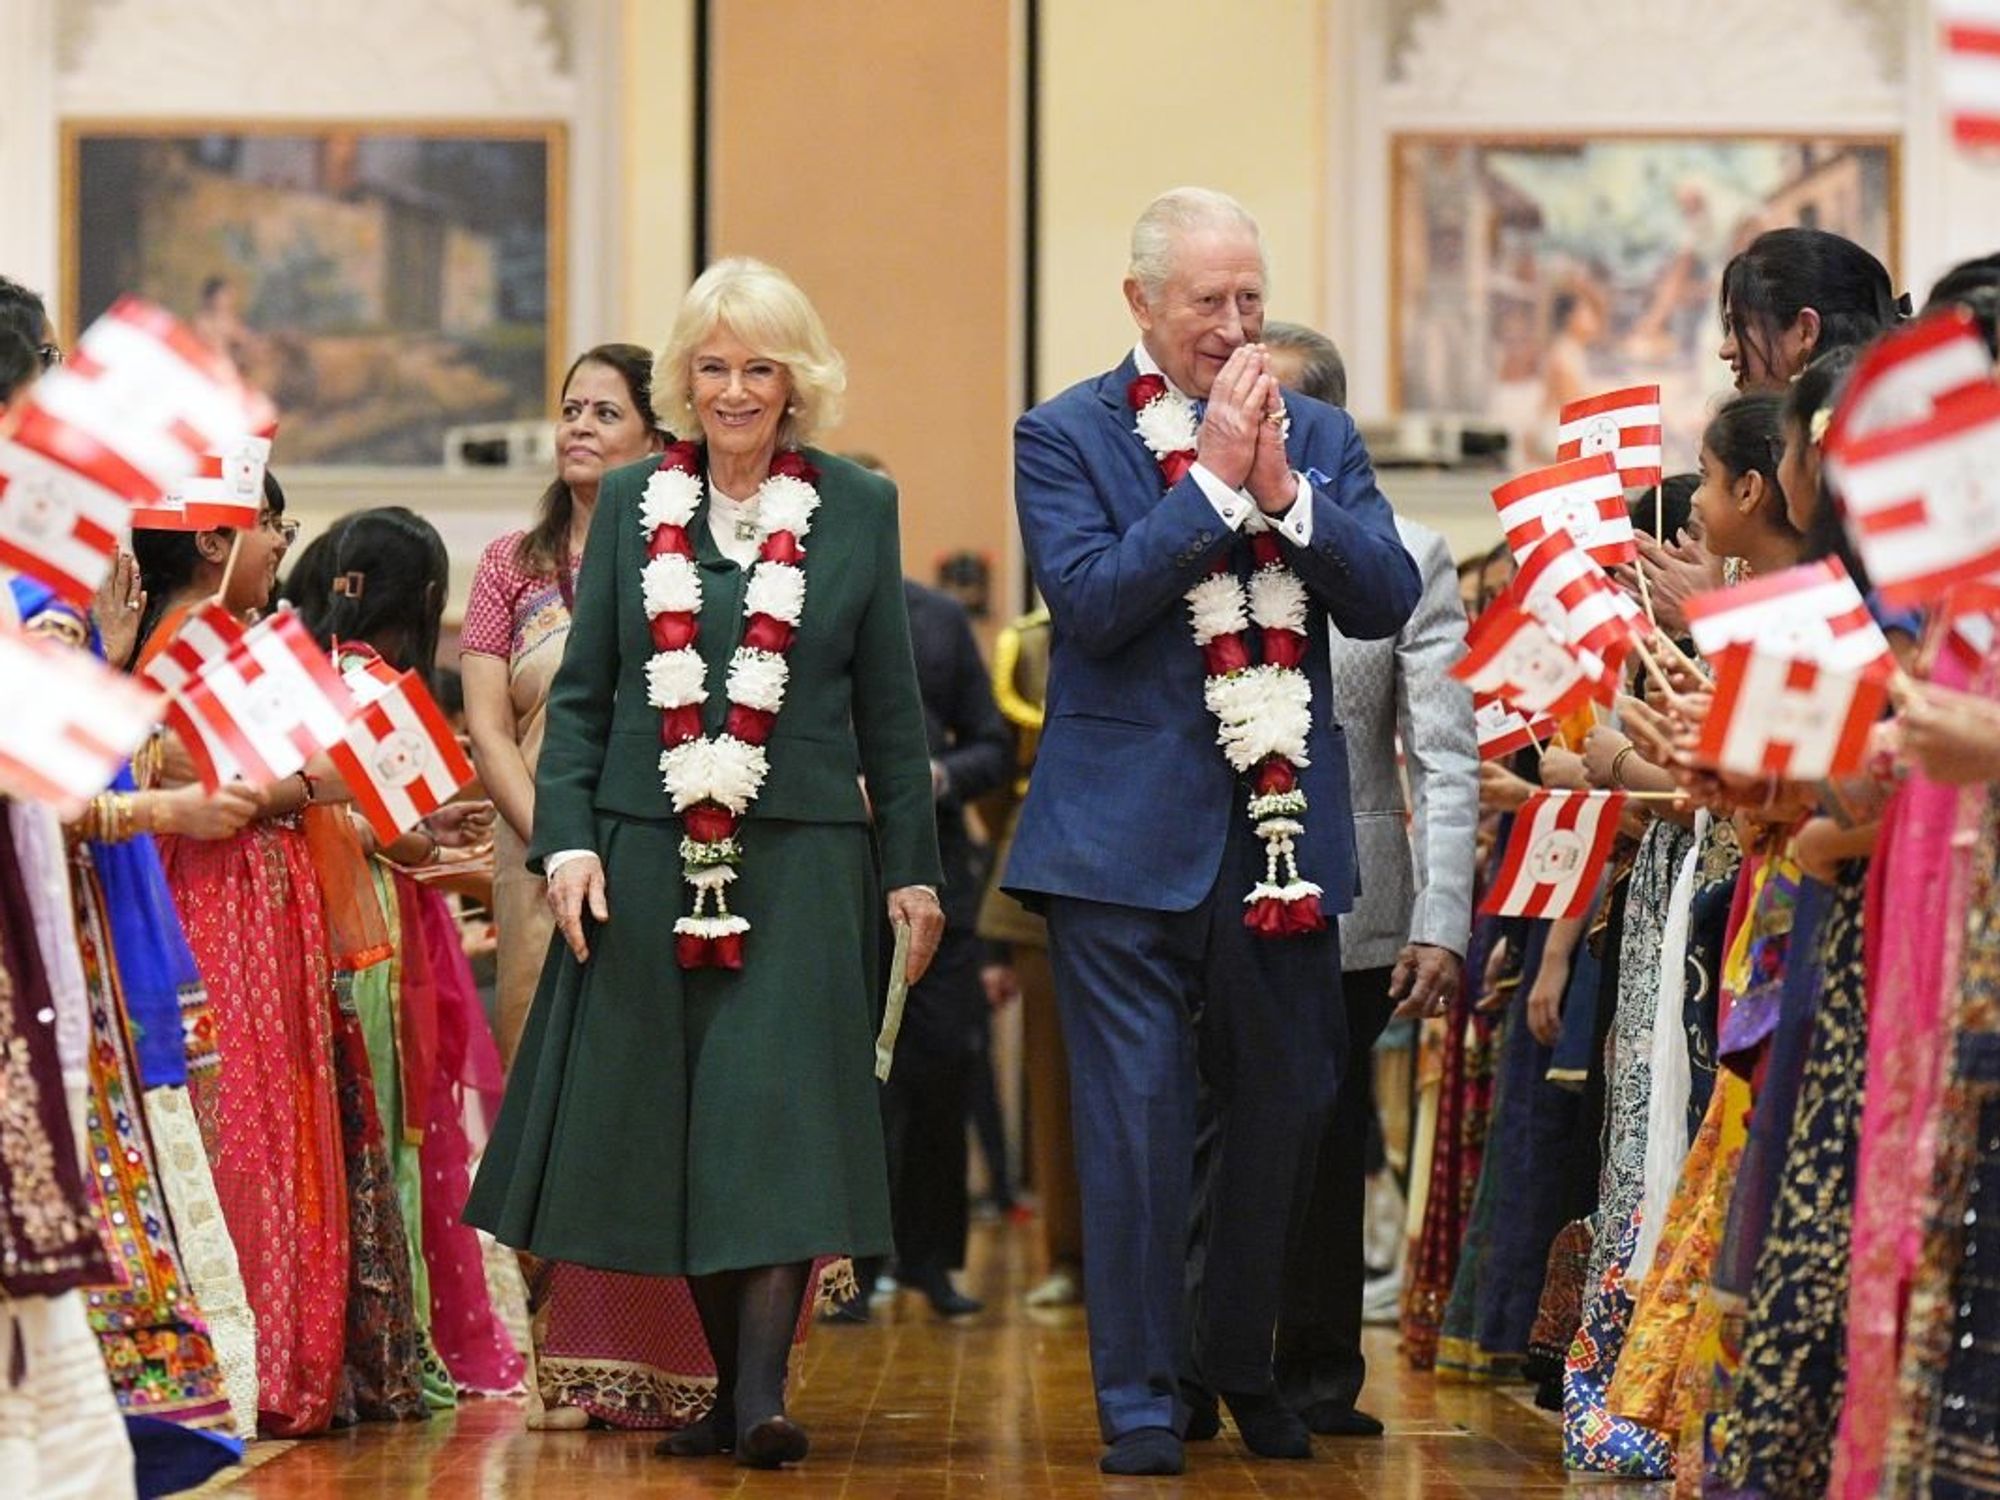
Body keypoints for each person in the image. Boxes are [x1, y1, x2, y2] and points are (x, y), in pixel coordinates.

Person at [466, 257, 944, 1470]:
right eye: (714, 368)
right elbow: (581, 703)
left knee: (773, 1120)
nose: (734, 391)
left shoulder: (855, 507)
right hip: (640, 849)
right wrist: (565, 839)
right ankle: (729, 1396)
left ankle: (762, 1398)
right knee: (677, 1128)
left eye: (759, 368)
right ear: (685, 379)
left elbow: (890, 709)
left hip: (802, 864)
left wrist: (914, 871)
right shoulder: (633, 503)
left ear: (798, 381)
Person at [1004, 187, 1420, 1476]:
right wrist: (1209, 491)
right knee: (1130, 1123)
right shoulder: (1063, 432)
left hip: (1278, 841)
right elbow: (1089, 603)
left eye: (1249, 297)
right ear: (1139, 303)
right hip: (1118, 847)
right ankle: (1137, 1398)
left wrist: (1289, 495)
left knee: (1290, 1108)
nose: (1235, 324)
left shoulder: (1326, 434)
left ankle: (1235, 1358)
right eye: (1207, 302)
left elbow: (1385, 596)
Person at [1257, 320, 1478, 1437]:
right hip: (1209, 881)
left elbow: (1441, 755)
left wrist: (1443, 920)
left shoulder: (1410, 552)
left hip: (1353, 895)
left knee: (1329, 1132)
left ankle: (1313, 1372)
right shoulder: (1190, 531)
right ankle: (1204, 1363)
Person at [131, 471, 352, 1437]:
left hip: (248, 891)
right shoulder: (201, 650)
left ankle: (269, 1351)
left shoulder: (183, 650)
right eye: (271, 525)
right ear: (216, 542)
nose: (279, 544)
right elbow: (306, 774)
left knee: (257, 1104)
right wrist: (294, 788)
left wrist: (288, 785)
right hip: (219, 896)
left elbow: (317, 769)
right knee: (248, 1104)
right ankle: (258, 1356)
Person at [463, 343, 669, 1070]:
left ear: (658, 440)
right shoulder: (510, 566)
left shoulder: (684, 566)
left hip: (662, 850)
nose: (578, 427)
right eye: (571, 411)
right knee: (541, 1068)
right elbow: (489, 734)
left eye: (605, 413)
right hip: (538, 854)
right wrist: (561, 846)